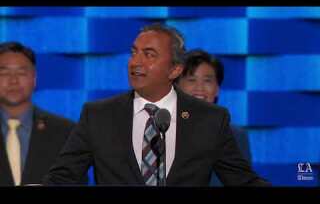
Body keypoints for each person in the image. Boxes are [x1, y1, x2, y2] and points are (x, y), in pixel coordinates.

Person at [42, 23, 270, 186]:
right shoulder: (98, 115)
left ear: (175, 69)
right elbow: (62, 178)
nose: (136, 62)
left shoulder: (209, 119)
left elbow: (243, 180)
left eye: (149, 54)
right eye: (134, 53)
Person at [0, 42, 87, 186]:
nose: (13, 81)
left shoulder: (65, 132)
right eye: (4, 73)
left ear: (34, 79)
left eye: (21, 73)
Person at [176, 49, 251, 186]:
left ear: (217, 89)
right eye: (191, 80)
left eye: (207, 81)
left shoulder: (236, 136)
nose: (200, 88)